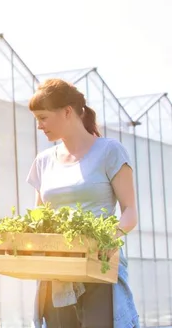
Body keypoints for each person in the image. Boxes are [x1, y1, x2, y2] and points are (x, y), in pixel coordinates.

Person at [26, 78, 140, 328]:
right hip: (56, 272)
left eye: (43, 118)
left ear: (67, 112)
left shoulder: (110, 151)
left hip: (98, 268)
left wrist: (108, 238)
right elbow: (39, 218)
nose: (39, 126)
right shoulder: (43, 161)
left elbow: (130, 212)